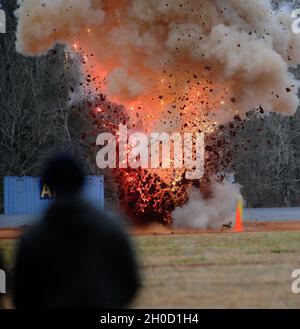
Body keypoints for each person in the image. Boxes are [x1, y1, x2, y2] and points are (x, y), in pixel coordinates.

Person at [13, 154, 139, 309]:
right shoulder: (112, 228)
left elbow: (21, 296)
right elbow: (130, 285)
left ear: (46, 185)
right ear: (81, 183)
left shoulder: (32, 238)